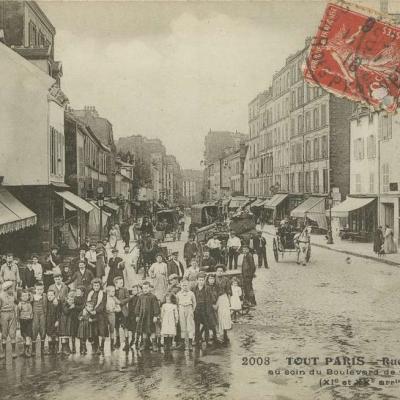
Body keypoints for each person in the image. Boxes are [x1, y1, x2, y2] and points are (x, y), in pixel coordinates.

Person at [135, 281, 160, 351]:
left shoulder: (153, 297)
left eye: (146, 288)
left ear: (150, 288)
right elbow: (138, 306)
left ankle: (154, 344)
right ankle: (144, 344)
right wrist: (137, 315)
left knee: (152, 330)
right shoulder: (140, 297)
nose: (145, 289)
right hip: (143, 317)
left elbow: (156, 307)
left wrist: (155, 315)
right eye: (144, 288)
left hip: (150, 316)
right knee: (144, 331)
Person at [193, 272, 215, 347]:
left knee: (206, 325)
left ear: (204, 281)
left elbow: (209, 299)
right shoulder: (194, 288)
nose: (201, 281)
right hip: (196, 308)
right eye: (199, 280)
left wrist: (208, 310)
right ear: (197, 280)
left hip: (205, 308)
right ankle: (197, 340)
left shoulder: (207, 289)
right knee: (197, 325)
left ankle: (207, 339)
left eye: (202, 280)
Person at [86, 278, 108, 355]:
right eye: (94, 285)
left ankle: (101, 347)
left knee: (101, 332)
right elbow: (88, 303)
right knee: (93, 331)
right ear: (92, 286)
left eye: (97, 285)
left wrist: (95, 311)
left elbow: (102, 304)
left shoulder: (103, 294)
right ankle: (95, 347)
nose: (96, 287)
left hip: (100, 315)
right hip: (91, 314)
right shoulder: (90, 293)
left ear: (100, 286)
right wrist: (89, 311)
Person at [176, 279, 196, 351]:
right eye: (183, 285)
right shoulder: (178, 294)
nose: (184, 287)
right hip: (181, 309)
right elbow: (177, 303)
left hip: (189, 308)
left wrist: (192, 310)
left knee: (190, 326)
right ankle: (183, 343)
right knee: (183, 326)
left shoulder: (191, 293)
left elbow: (194, 303)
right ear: (180, 286)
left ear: (188, 285)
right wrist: (179, 310)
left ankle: (190, 344)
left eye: (186, 285)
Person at [0, 281, 18, 359]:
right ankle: (3, 351)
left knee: (12, 333)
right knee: (4, 333)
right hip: (3, 314)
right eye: (11, 288)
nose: (12, 289)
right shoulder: (1, 296)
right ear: (7, 289)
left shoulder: (14, 294)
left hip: (12, 314)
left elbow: (17, 303)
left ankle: (13, 351)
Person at [114, 276, 131, 352]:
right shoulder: (112, 290)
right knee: (116, 326)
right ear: (115, 283)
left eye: (122, 282)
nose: (122, 284)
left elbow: (128, 298)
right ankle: (117, 341)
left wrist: (121, 302)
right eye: (120, 283)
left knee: (125, 326)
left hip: (123, 310)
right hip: (114, 310)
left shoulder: (125, 289)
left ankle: (127, 343)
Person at [32, 282, 47, 356]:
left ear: (43, 289)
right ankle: (33, 349)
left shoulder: (45, 296)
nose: (39, 291)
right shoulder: (32, 296)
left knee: (43, 330)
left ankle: (42, 348)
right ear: (35, 289)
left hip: (42, 314)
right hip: (35, 314)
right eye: (38, 289)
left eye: (41, 289)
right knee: (34, 329)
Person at [59, 291, 76, 355]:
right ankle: (64, 348)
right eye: (69, 299)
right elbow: (66, 312)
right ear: (67, 298)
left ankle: (67, 348)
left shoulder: (73, 305)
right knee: (64, 335)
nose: (71, 301)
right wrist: (70, 307)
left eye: (72, 300)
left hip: (69, 322)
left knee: (67, 335)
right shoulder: (64, 304)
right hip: (64, 322)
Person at [18, 289, 33, 357]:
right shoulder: (20, 304)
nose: (25, 297)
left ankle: (27, 350)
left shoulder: (30, 303)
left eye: (26, 296)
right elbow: (18, 313)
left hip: (28, 321)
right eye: (23, 296)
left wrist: (30, 317)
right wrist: (18, 320)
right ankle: (24, 350)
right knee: (23, 335)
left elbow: (31, 312)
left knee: (28, 336)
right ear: (21, 297)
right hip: (22, 320)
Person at [45, 289, 61, 355]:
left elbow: (59, 313)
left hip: (55, 320)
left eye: (51, 295)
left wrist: (58, 320)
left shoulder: (57, 303)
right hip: (48, 321)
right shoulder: (46, 302)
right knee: (49, 334)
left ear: (54, 295)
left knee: (56, 334)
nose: (49, 296)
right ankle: (50, 348)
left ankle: (57, 348)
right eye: (48, 295)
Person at [105, 285, 119, 352]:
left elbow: (119, 307)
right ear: (108, 292)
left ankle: (112, 345)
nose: (114, 292)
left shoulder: (114, 298)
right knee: (104, 330)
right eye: (113, 291)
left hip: (112, 315)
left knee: (112, 330)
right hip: (105, 315)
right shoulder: (104, 298)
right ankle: (102, 345)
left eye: (114, 291)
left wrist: (115, 309)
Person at [127, 285, 140, 349]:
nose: (133, 291)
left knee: (138, 328)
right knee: (133, 329)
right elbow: (129, 307)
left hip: (138, 315)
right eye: (132, 290)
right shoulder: (131, 298)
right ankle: (132, 339)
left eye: (135, 290)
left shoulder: (139, 298)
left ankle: (137, 341)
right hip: (132, 315)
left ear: (138, 291)